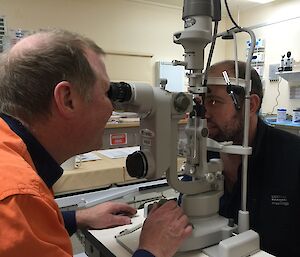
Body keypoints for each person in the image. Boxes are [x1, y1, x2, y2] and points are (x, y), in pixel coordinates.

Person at [0, 30, 192, 257]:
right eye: (105, 92)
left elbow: (30, 227)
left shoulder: (12, 156)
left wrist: (76, 218)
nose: (112, 108)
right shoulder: (17, 198)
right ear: (67, 100)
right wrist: (152, 249)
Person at [200, 60, 300, 256]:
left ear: (251, 104)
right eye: (201, 101)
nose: (205, 113)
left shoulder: (293, 158)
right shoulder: (202, 153)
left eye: (213, 101)